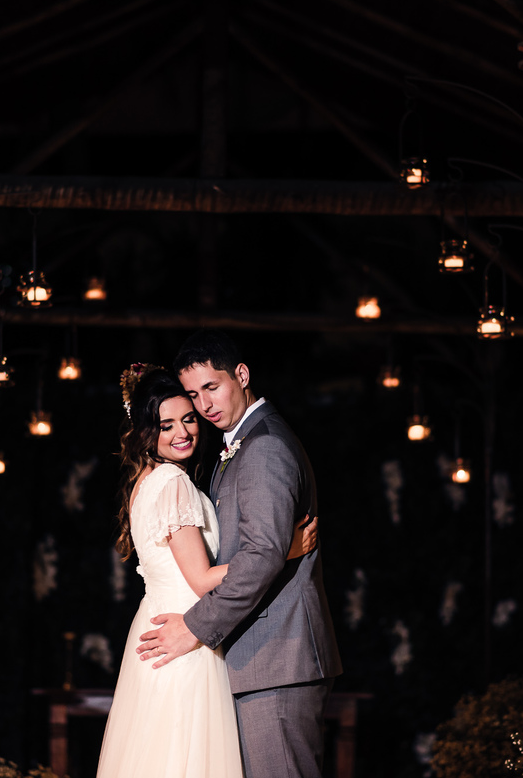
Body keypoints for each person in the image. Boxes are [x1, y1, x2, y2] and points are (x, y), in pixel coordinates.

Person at [136, 332, 343, 778]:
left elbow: (262, 555)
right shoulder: (238, 444)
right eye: (194, 394)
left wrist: (194, 627)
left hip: (278, 659)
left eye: (212, 387)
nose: (204, 405)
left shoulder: (264, 445)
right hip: (256, 658)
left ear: (242, 376)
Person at [97, 365, 316, 778]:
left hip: (161, 626)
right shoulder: (173, 483)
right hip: (186, 636)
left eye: (188, 419)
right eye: (166, 425)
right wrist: (282, 552)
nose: (182, 432)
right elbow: (200, 580)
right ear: (146, 431)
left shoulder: (145, 481)